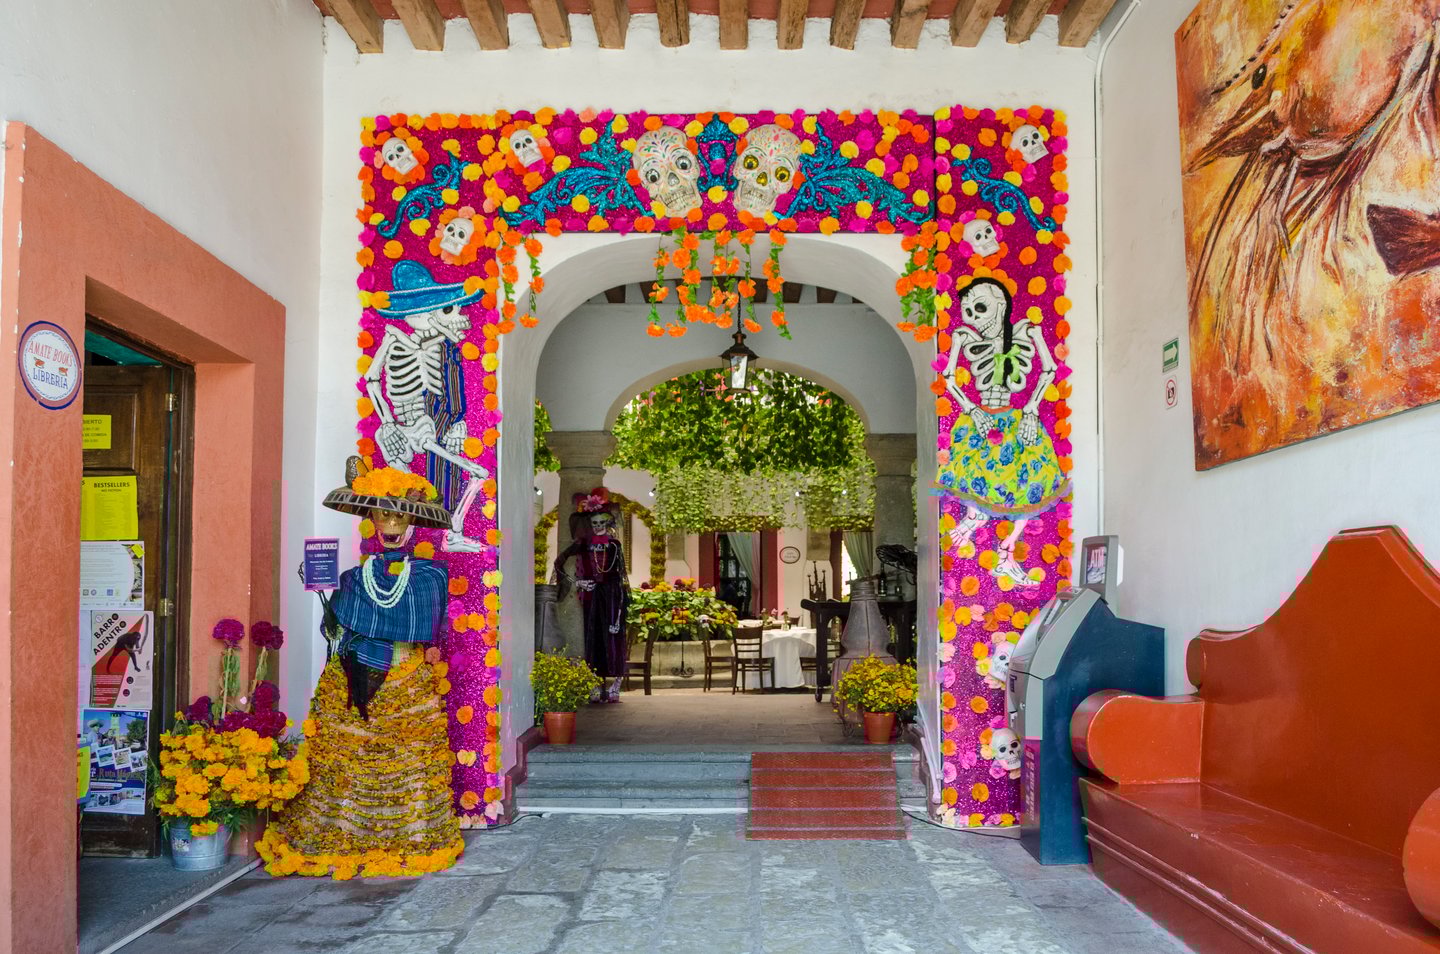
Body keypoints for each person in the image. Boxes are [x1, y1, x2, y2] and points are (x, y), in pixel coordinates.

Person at [257, 458, 462, 878]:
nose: (391, 523)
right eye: (383, 514)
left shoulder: (430, 576)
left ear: (412, 522)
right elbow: (336, 630)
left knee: (408, 764)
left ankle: (411, 837)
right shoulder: (352, 577)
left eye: (399, 515)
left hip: (407, 682)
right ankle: (344, 835)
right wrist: (326, 598)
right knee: (346, 761)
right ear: (371, 521)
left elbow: (428, 627)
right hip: (353, 680)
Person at [554, 489, 630, 703]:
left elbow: (620, 575)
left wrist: (618, 610)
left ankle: (616, 684)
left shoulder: (614, 545)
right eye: (594, 523)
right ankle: (595, 684)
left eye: (601, 523)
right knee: (593, 638)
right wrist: (576, 582)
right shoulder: (583, 544)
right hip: (592, 597)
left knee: (614, 638)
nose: (597, 526)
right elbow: (559, 562)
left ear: (607, 523)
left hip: (612, 595)